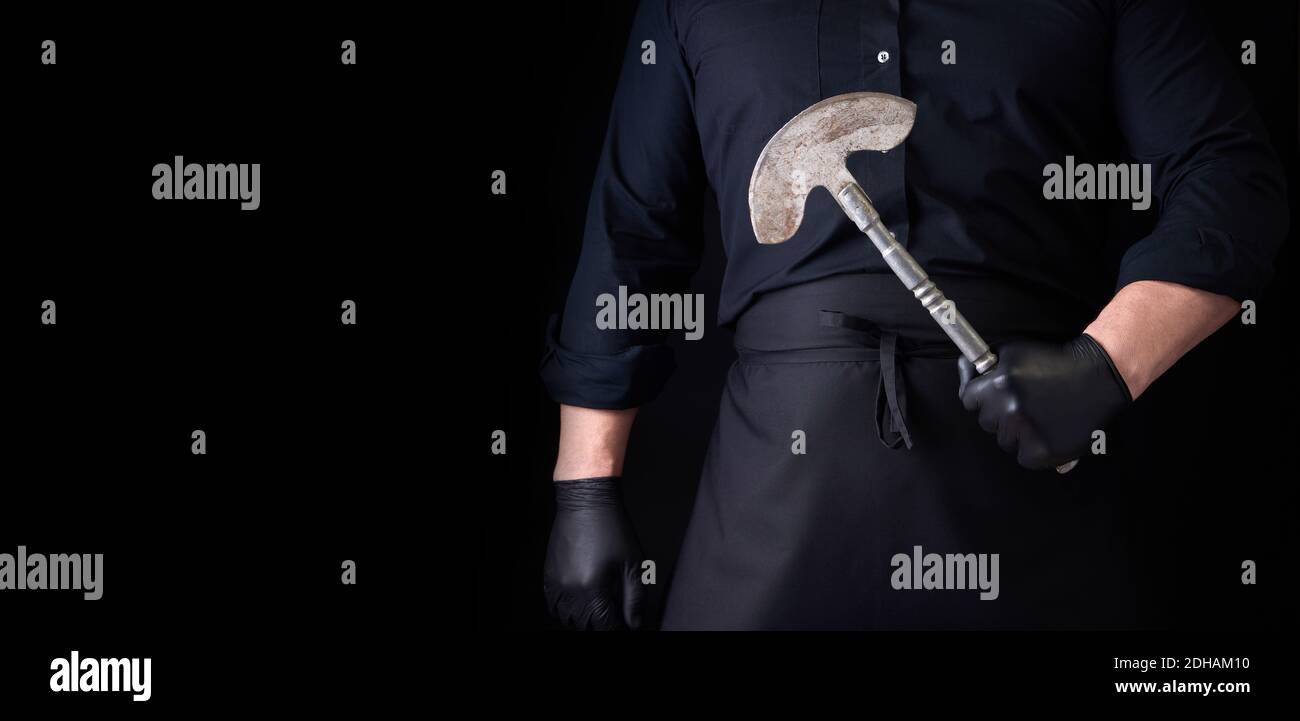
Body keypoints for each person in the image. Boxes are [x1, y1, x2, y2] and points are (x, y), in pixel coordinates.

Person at [539, 0, 1288, 630]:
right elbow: (630, 237)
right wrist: (586, 483)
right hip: (770, 485)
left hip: (1027, 460)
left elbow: (1233, 178)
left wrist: (1104, 365)